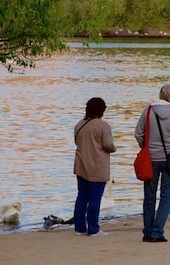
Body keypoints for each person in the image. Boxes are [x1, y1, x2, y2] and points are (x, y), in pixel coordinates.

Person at [135, 83, 170, 242]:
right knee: (166, 196)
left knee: (149, 196)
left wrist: (145, 147)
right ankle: (157, 231)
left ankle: (147, 231)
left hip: (151, 159)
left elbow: (138, 133)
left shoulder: (148, 110)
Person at [73, 97, 116, 237]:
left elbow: (76, 142)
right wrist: (113, 147)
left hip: (81, 165)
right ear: (102, 110)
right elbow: (108, 145)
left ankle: (79, 227)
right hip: (97, 166)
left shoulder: (79, 125)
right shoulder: (103, 126)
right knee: (95, 198)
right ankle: (93, 228)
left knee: (82, 196)